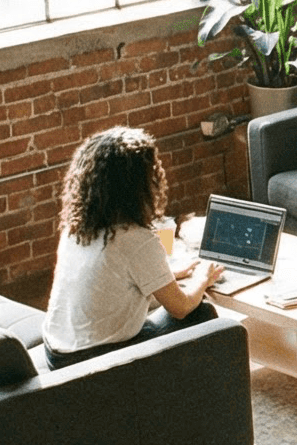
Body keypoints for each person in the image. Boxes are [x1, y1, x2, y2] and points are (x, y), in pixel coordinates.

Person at [42, 128, 222, 366]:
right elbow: (181, 308)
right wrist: (202, 277)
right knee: (201, 313)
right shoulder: (136, 238)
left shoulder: (77, 227)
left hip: (56, 352)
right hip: (91, 361)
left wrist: (170, 274)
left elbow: (111, 275)